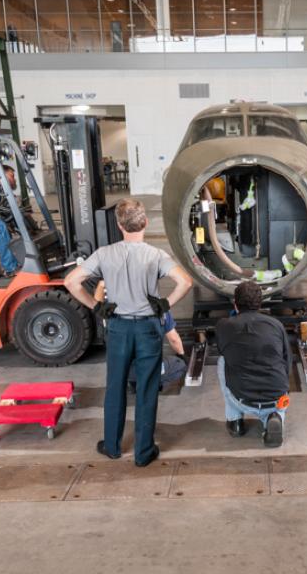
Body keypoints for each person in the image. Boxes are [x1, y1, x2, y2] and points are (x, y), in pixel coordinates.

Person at [64, 198, 192, 466]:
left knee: (115, 387)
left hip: (119, 327)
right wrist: (166, 304)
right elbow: (185, 281)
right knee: (147, 388)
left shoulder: (104, 253)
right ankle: (143, 453)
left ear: (120, 225)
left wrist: (96, 306)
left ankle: (111, 446)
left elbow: (71, 282)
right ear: (145, 222)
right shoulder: (156, 255)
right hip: (148, 327)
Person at [215, 280, 292, 448]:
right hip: (276, 398)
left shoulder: (224, 326)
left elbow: (223, 350)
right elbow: (287, 361)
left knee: (222, 360)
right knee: (278, 368)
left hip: (241, 398)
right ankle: (275, 418)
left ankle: (235, 421)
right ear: (260, 303)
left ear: (235, 304)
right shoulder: (276, 325)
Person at [94, 280, 187, 392]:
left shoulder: (112, 309)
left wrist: (101, 284)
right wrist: (182, 357)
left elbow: (97, 304)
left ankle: (133, 381)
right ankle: (155, 382)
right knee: (179, 365)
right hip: (148, 366)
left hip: (122, 370)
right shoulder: (159, 308)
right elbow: (174, 339)